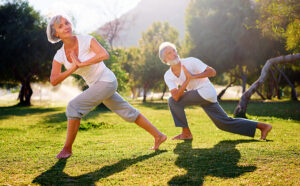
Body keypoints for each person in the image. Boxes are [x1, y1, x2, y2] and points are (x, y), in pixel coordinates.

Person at [46, 15, 167, 159]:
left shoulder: (86, 40)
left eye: (67, 23)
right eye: (60, 26)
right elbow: (54, 80)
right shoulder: (59, 55)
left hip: (107, 80)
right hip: (96, 85)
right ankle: (158, 135)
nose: (66, 26)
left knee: (73, 106)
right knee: (127, 111)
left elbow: (104, 54)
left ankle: (67, 149)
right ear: (55, 34)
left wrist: (81, 64)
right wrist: (72, 69)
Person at [159, 42, 272, 140]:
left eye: (174, 50)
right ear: (165, 60)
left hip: (206, 91)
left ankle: (186, 133)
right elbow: (176, 96)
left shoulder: (191, 61)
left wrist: (193, 76)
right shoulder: (168, 75)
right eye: (169, 53)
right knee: (223, 124)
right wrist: (187, 81)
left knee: (172, 101)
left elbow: (212, 72)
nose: (174, 53)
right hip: (200, 95)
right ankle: (263, 126)